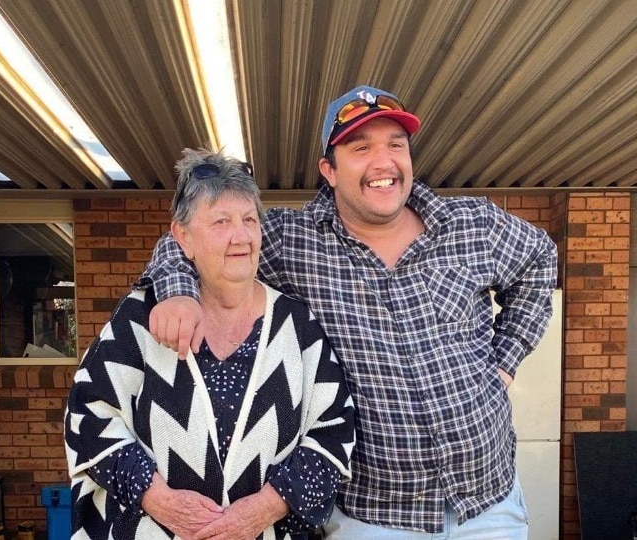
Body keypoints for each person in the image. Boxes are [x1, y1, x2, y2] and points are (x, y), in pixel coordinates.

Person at [139, 85, 559, 539]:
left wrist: (504, 362)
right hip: (373, 519)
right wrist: (179, 293)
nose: (384, 162)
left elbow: (541, 259)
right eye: (361, 148)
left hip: (489, 505)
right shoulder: (294, 240)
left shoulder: (473, 224)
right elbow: (189, 240)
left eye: (396, 145)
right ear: (329, 170)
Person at [64, 149, 355, 540]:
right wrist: (158, 498)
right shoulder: (143, 316)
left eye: (249, 220)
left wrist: (262, 509)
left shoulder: (296, 323)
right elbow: (89, 414)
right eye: (220, 222)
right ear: (183, 237)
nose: (240, 236)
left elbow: (333, 430)